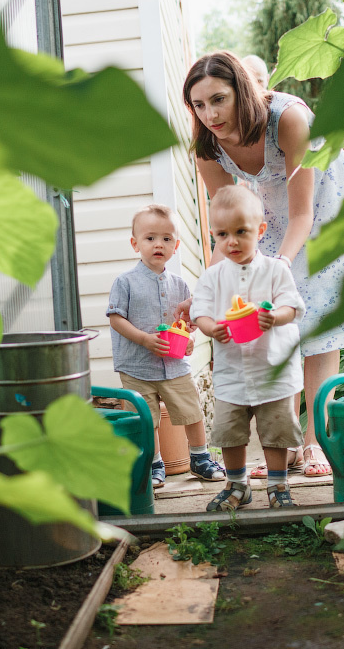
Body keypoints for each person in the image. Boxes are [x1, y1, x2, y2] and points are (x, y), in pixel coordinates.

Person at [182, 50, 344, 479]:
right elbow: (227, 227)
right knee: (275, 326)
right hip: (266, 212)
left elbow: (303, 215)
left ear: (241, 90)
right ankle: (287, 443)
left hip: (322, 202)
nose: (210, 115)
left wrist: (278, 266)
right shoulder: (207, 146)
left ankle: (314, 442)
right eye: (198, 105)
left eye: (218, 99)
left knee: (315, 313)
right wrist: (206, 288)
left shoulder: (290, 119)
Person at [191, 186, 305, 510]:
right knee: (230, 431)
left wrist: (274, 317)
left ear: (260, 230)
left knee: (276, 430)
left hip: (271, 370)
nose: (232, 241)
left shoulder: (276, 270)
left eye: (241, 232)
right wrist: (211, 328)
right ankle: (238, 485)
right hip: (232, 373)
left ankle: (278, 484)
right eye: (222, 234)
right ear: (213, 235)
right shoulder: (213, 277)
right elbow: (199, 310)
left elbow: (292, 306)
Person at [107, 204, 225, 489]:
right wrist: (145, 339)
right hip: (137, 365)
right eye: (150, 238)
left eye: (167, 239)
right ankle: (153, 462)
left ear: (176, 246)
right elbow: (115, 319)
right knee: (145, 418)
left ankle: (199, 458)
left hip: (174, 365)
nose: (158, 244)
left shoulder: (181, 285)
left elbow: (188, 325)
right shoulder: (125, 282)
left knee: (192, 409)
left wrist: (190, 343)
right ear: (135, 244)